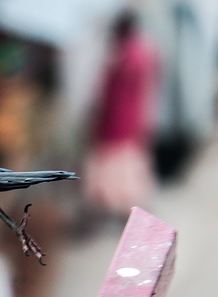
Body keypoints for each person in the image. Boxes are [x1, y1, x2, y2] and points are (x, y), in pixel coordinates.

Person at [84, 10, 160, 219]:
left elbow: (106, 93)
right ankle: (130, 208)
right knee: (129, 164)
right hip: (134, 119)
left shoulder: (122, 58)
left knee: (117, 167)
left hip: (116, 123)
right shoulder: (144, 53)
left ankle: (121, 209)